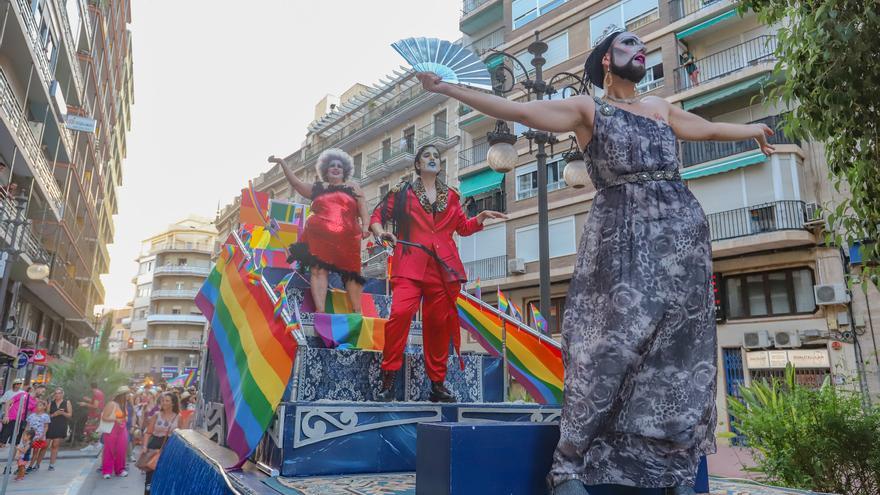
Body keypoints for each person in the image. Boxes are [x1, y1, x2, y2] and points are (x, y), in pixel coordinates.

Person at [414, 29, 775, 494]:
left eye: (642, 45)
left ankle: (675, 469)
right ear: (606, 60)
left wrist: (753, 130)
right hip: (621, 235)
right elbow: (522, 111)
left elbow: (704, 127)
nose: (640, 49)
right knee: (611, 347)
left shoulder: (661, 107)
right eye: (628, 44)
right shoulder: (590, 110)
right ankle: (568, 465)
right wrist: (446, 88)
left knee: (680, 353)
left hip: (682, 240)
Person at [370, 144, 506, 402]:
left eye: (436, 156)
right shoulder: (403, 192)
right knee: (399, 315)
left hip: (443, 268)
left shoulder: (453, 196)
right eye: (427, 156)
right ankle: (388, 379)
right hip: (409, 264)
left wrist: (481, 217)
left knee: (437, 327)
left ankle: (437, 385)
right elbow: (377, 215)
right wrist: (380, 232)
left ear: (440, 165)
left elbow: (462, 228)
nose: (432, 159)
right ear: (418, 165)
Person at [271, 150, 370, 314]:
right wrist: (282, 163)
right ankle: (320, 311)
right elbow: (296, 184)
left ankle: (357, 311)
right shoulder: (318, 187)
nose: (336, 168)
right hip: (318, 239)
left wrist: (366, 228)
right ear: (325, 169)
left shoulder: (353, 187)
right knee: (318, 270)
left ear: (345, 170)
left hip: (347, 239)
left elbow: (364, 212)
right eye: (332, 165)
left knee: (352, 273)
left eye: (339, 166)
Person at [142, 392, 180, 493]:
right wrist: (145, 447)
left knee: (166, 476)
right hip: (154, 445)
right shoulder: (156, 415)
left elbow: (181, 437)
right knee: (150, 476)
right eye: (163, 400)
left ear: (173, 403)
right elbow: (148, 432)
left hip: (170, 448)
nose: (164, 402)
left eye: (167, 401)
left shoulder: (178, 417)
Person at [100, 386, 129, 479]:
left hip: (122, 429)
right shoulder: (112, 404)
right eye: (127, 394)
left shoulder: (124, 405)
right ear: (122, 395)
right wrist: (116, 419)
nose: (129, 396)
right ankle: (106, 471)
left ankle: (120, 470)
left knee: (121, 450)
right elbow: (104, 417)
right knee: (109, 450)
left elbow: (125, 417)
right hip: (111, 429)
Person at [46, 387, 72, 471]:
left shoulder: (67, 402)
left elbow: (70, 415)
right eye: (56, 393)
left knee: (55, 445)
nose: (57, 395)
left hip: (60, 425)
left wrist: (62, 413)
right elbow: (46, 415)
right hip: (50, 425)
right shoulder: (51, 403)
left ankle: (51, 464)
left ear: (62, 394)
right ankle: (36, 464)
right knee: (45, 445)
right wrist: (54, 414)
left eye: (59, 393)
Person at [25, 400, 50, 472]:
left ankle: (30, 466)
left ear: (44, 407)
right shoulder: (31, 415)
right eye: (37, 405)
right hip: (29, 437)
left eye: (40, 405)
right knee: (26, 451)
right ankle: (22, 466)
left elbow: (46, 427)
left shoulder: (45, 416)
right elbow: (27, 426)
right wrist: (25, 435)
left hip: (39, 437)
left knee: (35, 451)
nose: (37, 407)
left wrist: (43, 435)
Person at [79, 382, 104, 450]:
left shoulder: (96, 394)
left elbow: (95, 406)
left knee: (89, 429)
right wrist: (89, 400)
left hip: (94, 415)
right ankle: (95, 444)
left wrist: (85, 404)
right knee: (93, 430)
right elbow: (97, 403)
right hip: (97, 414)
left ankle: (93, 445)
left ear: (91, 387)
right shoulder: (100, 393)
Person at [0, 378, 25, 447]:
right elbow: (1, 400)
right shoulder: (8, 392)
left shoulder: (22, 393)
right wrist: (7, 402)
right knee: (4, 431)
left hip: (17, 415)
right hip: (7, 414)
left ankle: (10, 444)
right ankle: (2, 443)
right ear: (14, 384)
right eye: (17, 384)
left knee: (14, 432)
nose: (18, 385)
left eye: (20, 384)